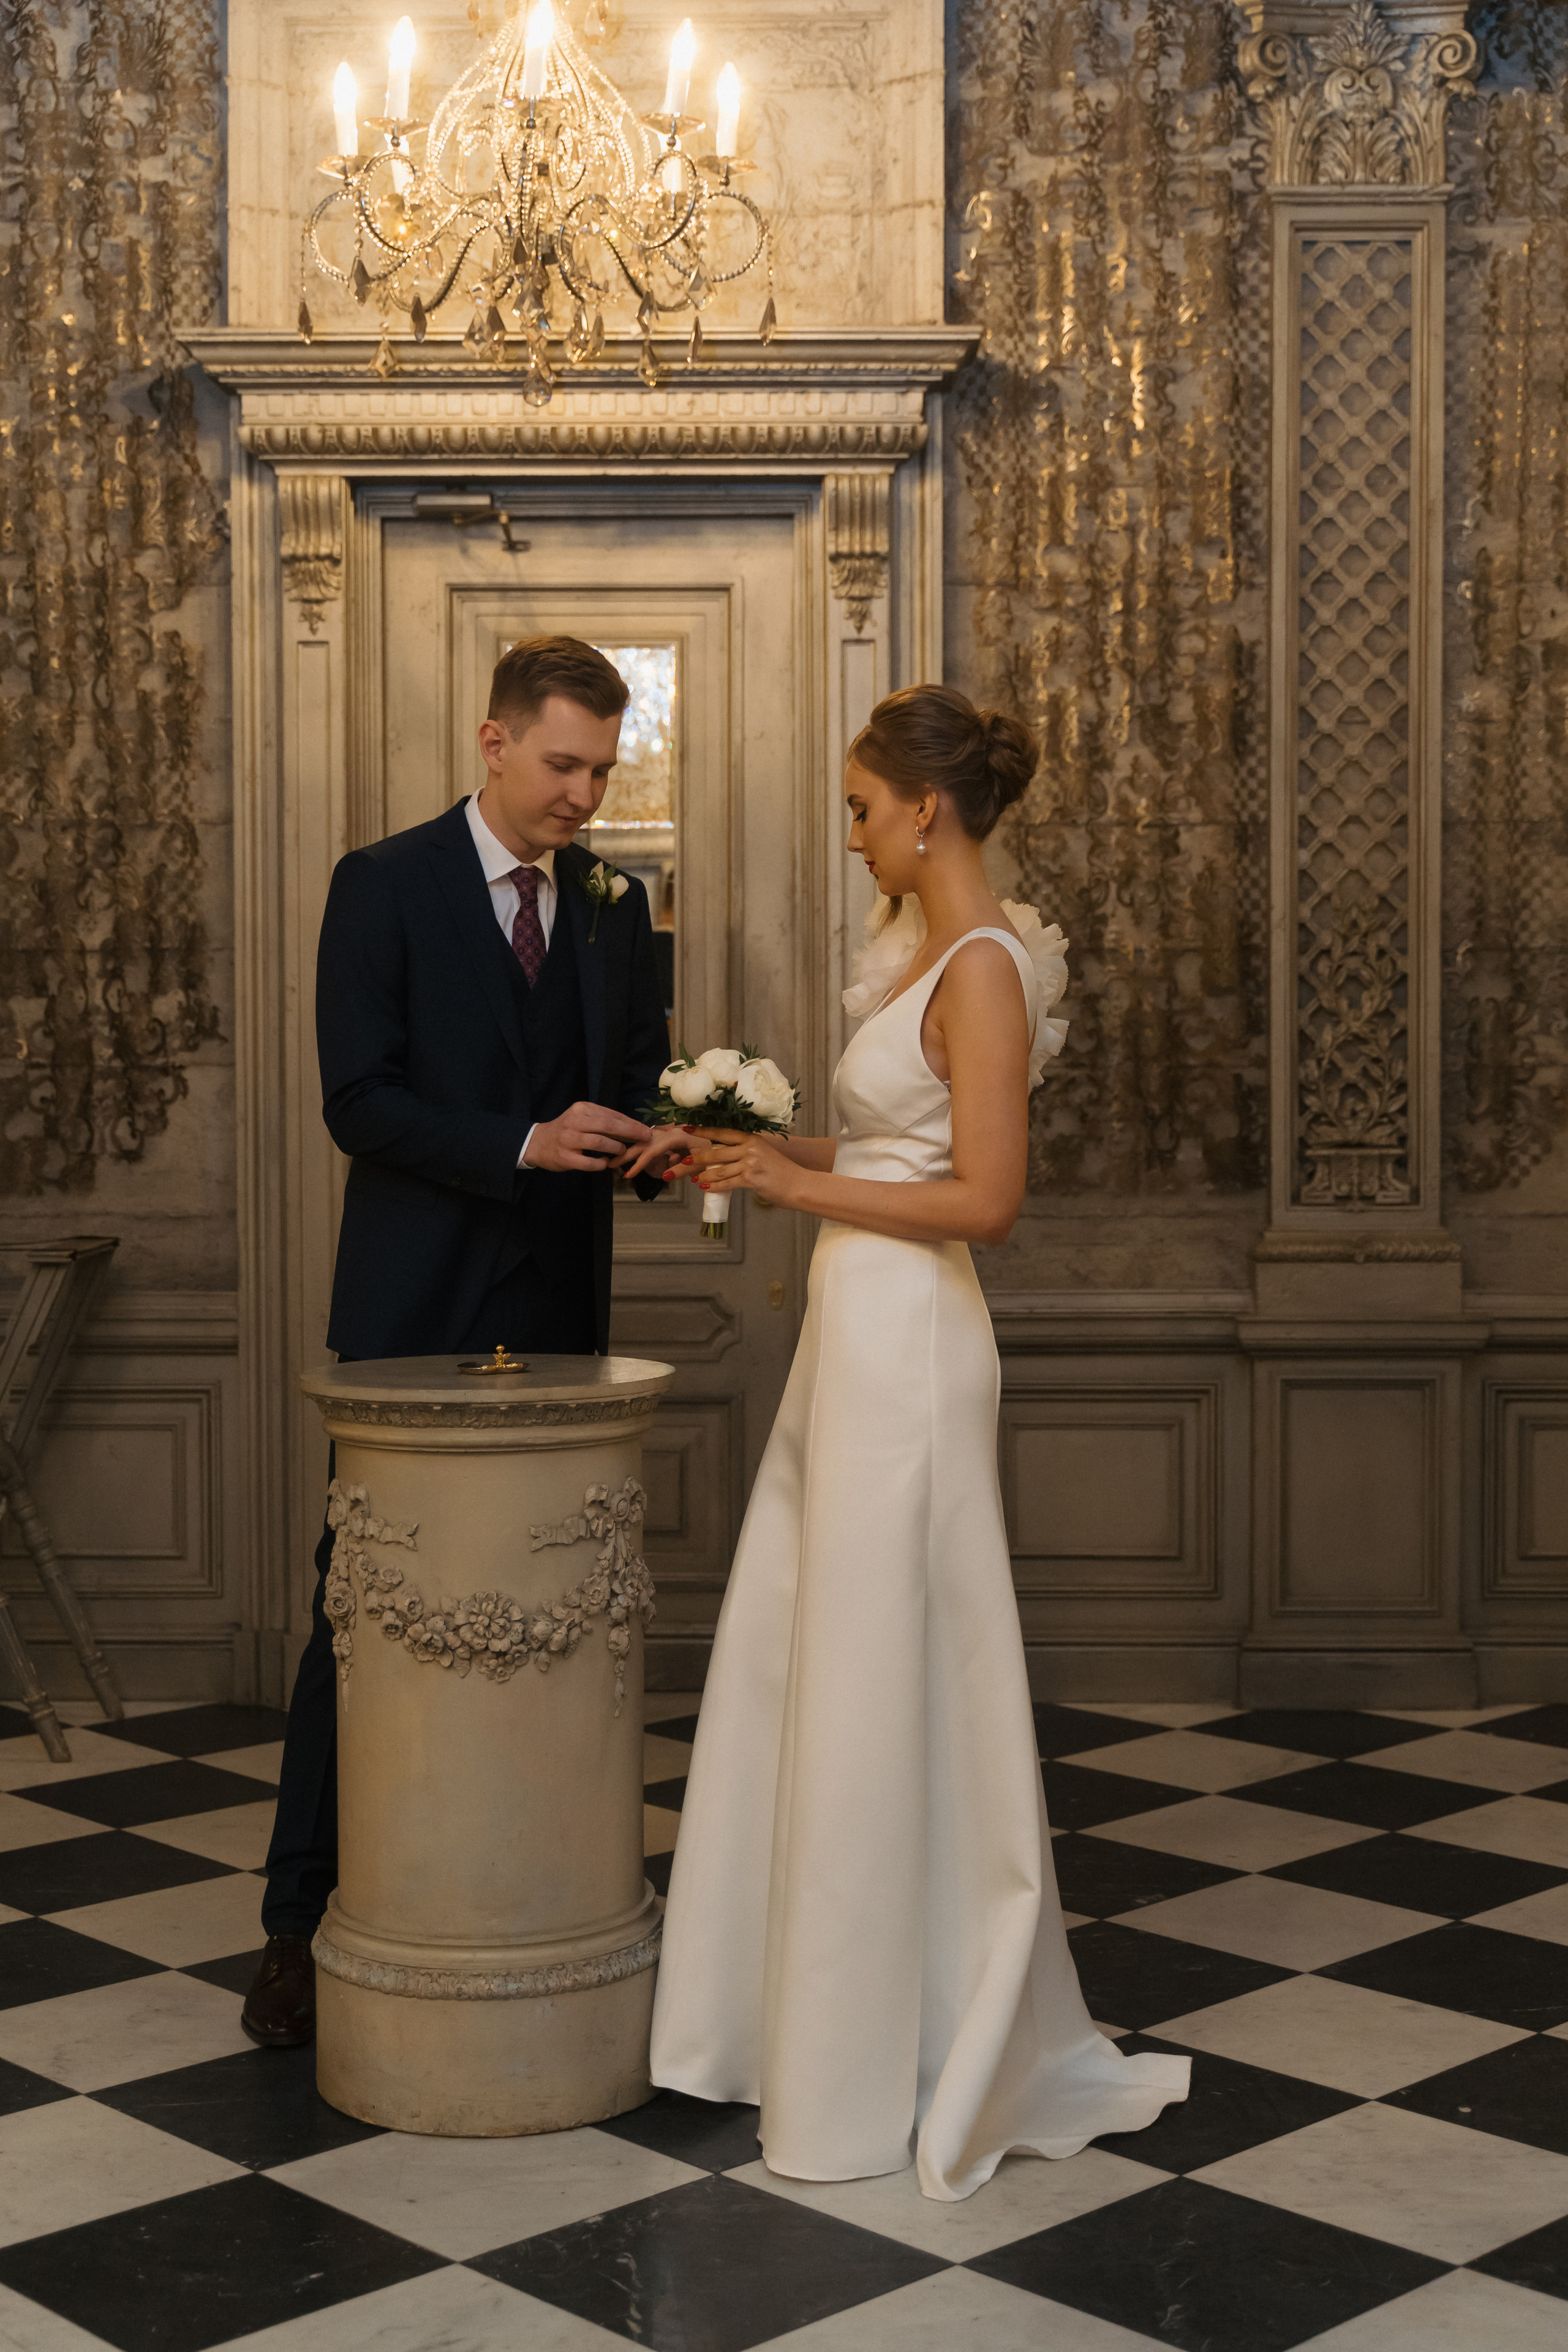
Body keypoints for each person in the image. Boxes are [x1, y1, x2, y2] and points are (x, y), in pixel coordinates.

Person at [650, 683, 1189, 2199]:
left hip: (914, 1339)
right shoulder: (931, 959)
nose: (850, 831)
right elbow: (899, 1150)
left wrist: (794, 1187)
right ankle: (812, 2029)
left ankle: (882, 2050)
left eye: (859, 805)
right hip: (858, 1332)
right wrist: (761, 1150)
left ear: (924, 812)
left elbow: (985, 1202)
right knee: (833, 1657)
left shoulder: (987, 968)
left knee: (888, 1667)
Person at [243, 635, 683, 2047]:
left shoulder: (616, 905)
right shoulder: (381, 885)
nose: (582, 796)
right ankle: (298, 1926)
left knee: (550, 1606)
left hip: (560, 1316)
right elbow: (357, 1101)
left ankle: (521, 1886)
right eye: (562, 765)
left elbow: (628, 1082)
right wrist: (519, 1142)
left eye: (602, 771)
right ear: (491, 743)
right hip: (407, 1309)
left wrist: (664, 1142)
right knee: (358, 1611)